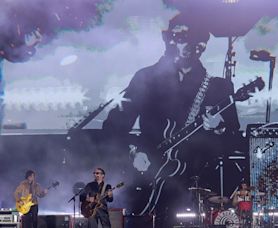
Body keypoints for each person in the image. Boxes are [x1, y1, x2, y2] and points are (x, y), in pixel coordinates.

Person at [102, 12, 241, 226]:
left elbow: (234, 142)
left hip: (196, 190)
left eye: (183, 37)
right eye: (173, 36)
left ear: (201, 45)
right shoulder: (145, 78)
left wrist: (219, 127)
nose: (174, 42)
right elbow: (112, 127)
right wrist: (133, 152)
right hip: (147, 183)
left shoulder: (218, 87)